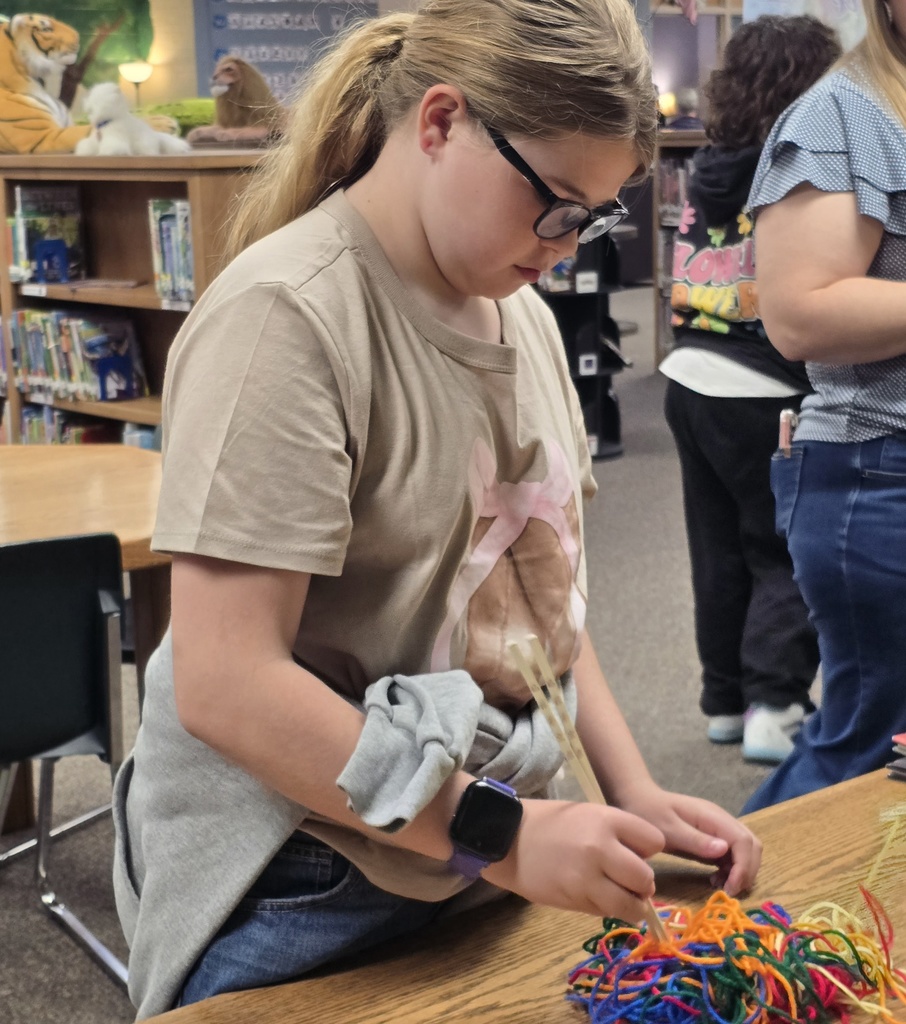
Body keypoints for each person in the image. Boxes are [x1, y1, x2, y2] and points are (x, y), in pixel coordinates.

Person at [111, 2, 762, 1017]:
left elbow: (540, 613)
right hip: (311, 881)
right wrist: (501, 834)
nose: (565, 242)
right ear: (442, 121)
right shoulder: (286, 318)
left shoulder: (525, 317)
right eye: (552, 203)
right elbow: (228, 684)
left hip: (476, 849)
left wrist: (628, 790)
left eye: (590, 215)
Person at [741, 0, 906, 811]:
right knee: (867, 744)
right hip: (880, 470)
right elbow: (800, 313)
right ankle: (719, 934)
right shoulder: (845, 114)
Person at [661, 16, 839, 765]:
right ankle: (776, 703)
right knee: (782, 548)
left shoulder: (714, 161)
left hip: (688, 371)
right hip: (764, 385)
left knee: (719, 548)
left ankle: (725, 702)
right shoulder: (798, 169)